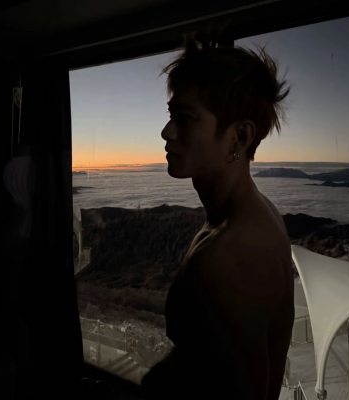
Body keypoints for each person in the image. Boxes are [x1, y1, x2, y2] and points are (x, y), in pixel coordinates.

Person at [141, 29, 295, 400]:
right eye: (171, 115)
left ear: (239, 137)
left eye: (185, 118)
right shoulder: (252, 213)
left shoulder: (228, 258)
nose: (166, 132)